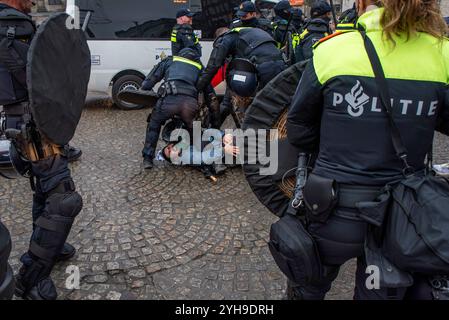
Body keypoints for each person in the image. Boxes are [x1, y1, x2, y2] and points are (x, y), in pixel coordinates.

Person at [286, 0, 449, 300]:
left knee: (306, 287)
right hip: (400, 216)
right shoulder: (443, 53)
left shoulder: (332, 49)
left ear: (361, 4)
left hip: (331, 208)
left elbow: (297, 128)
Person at [0, 0, 87, 300]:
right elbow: (40, 77)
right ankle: (32, 277)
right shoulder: (13, 24)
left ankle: (49, 242)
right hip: (32, 124)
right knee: (64, 198)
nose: (31, 2)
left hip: (21, 120)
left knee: (45, 189)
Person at [197, 1, 286, 126]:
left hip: (258, 69)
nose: (242, 18)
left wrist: (198, 87)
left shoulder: (229, 37)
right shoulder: (259, 31)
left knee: (245, 105)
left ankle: (223, 133)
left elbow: (213, 65)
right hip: (279, 67)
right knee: (267, 105)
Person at [141, 48, 215, 170]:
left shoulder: (169, 61)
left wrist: (145, 92)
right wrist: (215, 121)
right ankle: (212, 162)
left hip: (168, 101)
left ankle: (148, 158)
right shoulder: (199, 68)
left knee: (154, 123)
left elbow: (148, 83)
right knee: (196, 132)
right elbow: (211, 97)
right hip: (189, 105)